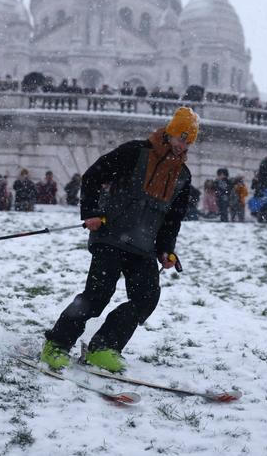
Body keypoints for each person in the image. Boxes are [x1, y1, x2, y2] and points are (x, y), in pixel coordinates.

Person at [41, 106, 197, 373]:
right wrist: (91, 212)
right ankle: (56, 344)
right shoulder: (135, 152)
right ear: (170, 133)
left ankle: (104, 347)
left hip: (144, 246)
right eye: (181, 137)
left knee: (147, 297)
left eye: (189, 140)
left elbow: (171, 219)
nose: (183, 145)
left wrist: (166, 249)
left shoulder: (183, 176)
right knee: (97, 295)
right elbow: (93, 176)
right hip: (111, 235)